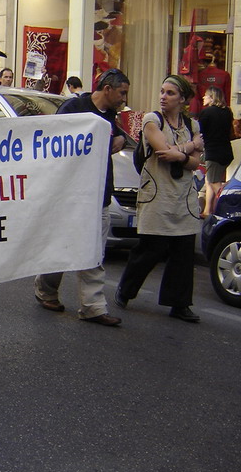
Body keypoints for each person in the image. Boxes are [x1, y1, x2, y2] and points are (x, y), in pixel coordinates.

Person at [34, 69, 130, 327]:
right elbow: (53, 141)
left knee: (94, 253)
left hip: (99, 195)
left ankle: (93, 306)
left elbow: (115, 137)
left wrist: (119, 138)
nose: (124, 98)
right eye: (121, 92)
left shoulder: (110, 116)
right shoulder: (75, 107)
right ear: (107, 89)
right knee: (61, 246)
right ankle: (46, 290)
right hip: (69, 194)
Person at [115, 74, 203, 323]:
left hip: (183, 196)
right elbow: (163, 150)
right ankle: (126, 289)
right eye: (162, 92)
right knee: (151, 249)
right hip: (157, 193)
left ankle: (179, 303)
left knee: (183, 251)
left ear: (183, 99)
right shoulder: (152, 120)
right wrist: (189, 148)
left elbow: (197, 162)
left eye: (170, 93)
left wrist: (181, 156)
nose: (163, 97)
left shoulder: (191, 125)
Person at [198, 86, 235, 218]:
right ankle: (208, 211)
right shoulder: (227, 112)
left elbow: (199, 132)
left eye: (206, 95)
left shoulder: (207, 112)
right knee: (209, 180)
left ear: (212, 97)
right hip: (226, 152)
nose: (203, 97)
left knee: (214, 183)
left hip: (213, 153)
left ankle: (229, 206)